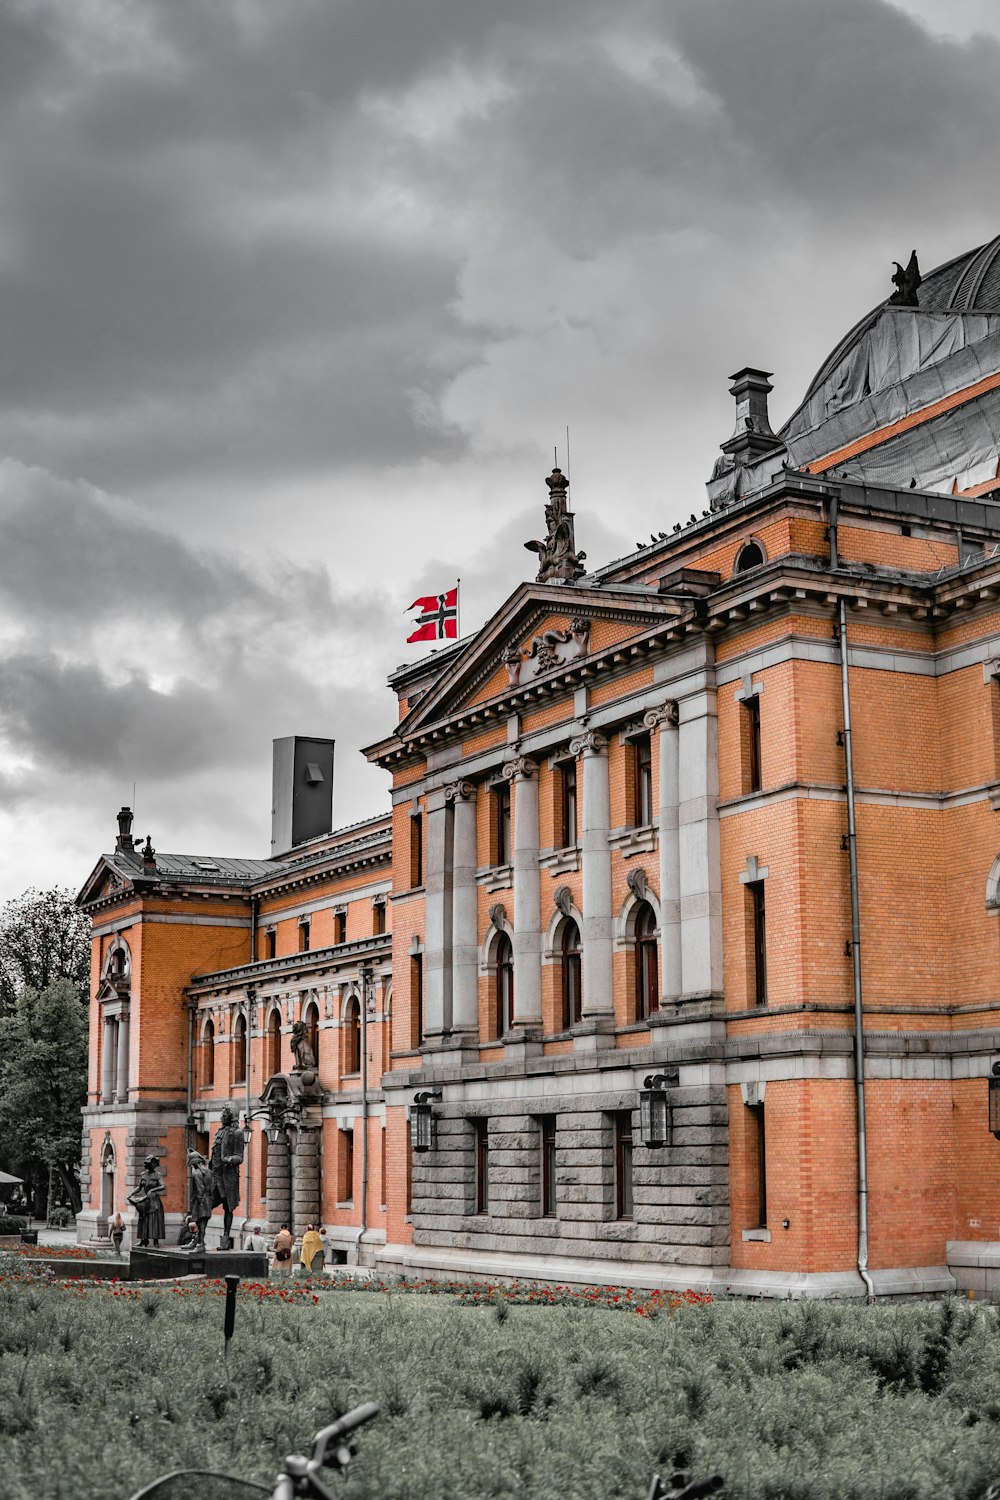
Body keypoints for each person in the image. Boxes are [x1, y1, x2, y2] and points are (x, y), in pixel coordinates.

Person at [209, 1105, 244, 1250]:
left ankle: (225, 1239)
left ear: (230, 1117)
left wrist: (230, 1160)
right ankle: (197, 1236)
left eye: (224, 1115)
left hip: (228, 1178)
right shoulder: (220, 1131)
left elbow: (240, 1156)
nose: (221, 1118)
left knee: (228, 1209)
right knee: (205, 1204)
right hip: (215, 1175)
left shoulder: (237, 1133)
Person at [129, 1155, 166, 1247]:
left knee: (154, 1221)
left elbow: (163, 1186)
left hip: (154, 1201)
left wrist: (152, 1190)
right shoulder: (143, 1175)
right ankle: (143, 1240)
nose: (146, 1165)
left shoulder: (157, 1175)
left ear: (153, 1165)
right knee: (143, 1220)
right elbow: (139, 1187)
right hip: (145, 1201)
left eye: (148, 1164)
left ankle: (155, 1241)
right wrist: (130, 1194)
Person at [187, 1149, 213, 1247]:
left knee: (200, 1222)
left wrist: (200, 1202)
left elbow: (199, 1188)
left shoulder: (196, 1173)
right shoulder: (208, 1172)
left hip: (200, 1201)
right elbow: (211, 1187)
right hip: (208, 1200)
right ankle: (199, 1242)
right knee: (203, 1223)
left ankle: (200, 1243)